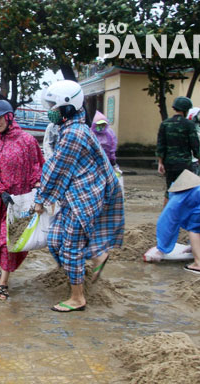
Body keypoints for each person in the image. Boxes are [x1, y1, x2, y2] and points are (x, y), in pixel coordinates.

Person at [34, 80, 124, 313]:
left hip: (85, 195)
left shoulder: (74, 132)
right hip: (76, 193)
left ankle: (77, 297)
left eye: (54, 106)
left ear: (68, 107)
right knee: (54, 240)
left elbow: (58, 168)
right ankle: (97, 255)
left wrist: (40, 199)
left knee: (70, 246)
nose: (50, 111)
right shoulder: (69, 128)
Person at [0, 100, 44, 301]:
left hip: (19, 202)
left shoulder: (27, 141)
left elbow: (36, 167)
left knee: (8, 241)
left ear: (9, 117)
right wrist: (0, 191)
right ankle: (3, 266)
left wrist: (36, 189)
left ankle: (3, 283)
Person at [156, 96, 200, 205]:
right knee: (185, 189)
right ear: (187, 110)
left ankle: (166, 215)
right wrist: (199, 157)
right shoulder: (189, 125)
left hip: (169, 163)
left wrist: (160, 162)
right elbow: (194, 144)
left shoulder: (165, 124)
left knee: (169, 189)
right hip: (184, 163)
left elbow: (160, 144)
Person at [186, 107, 200, 175]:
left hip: (199, 159)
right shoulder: (192, 129)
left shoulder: (199, 128)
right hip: (194, 160)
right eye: (199, 114)